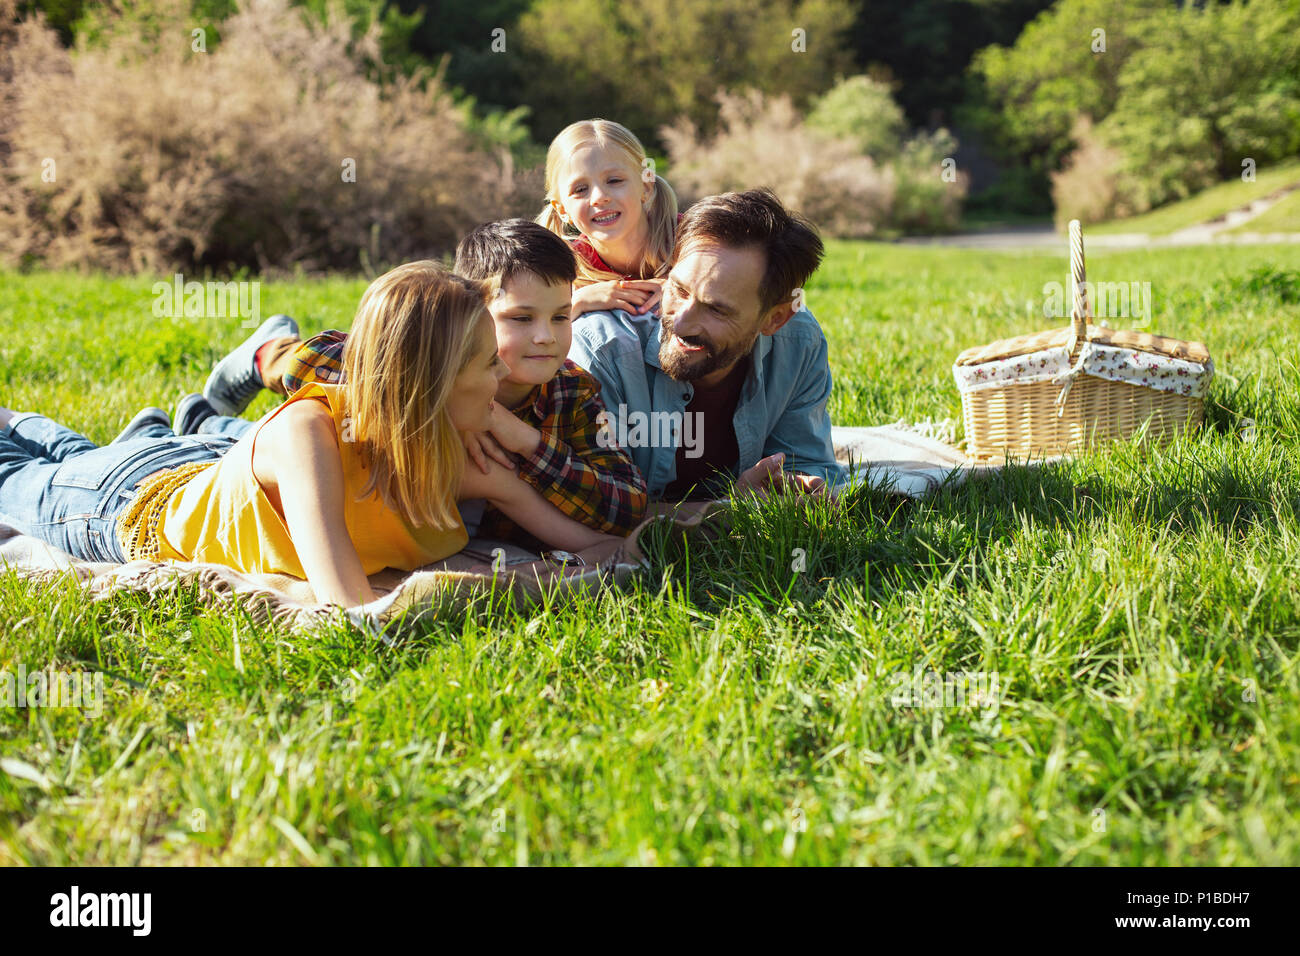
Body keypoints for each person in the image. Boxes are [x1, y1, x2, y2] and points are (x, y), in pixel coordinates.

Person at [0, 263, 618, 609]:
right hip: (126, 506)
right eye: (487, 362)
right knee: (12, 475)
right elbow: (348, 603)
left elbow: (603, 547)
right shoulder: (310, 433)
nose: (503, 375)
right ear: (433, 383)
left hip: (209, 462)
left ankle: (112, 431)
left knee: (75, 450)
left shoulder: (461, 455)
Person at [172, 220, 648, 545]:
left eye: (561, 316)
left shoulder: (573, 391)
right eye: (520, 318)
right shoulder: (426, 364)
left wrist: (523, 439)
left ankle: (201, 423)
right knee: (292, 401)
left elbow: (625, 505)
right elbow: (315, 364)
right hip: (307, 415)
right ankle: (263, 352)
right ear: (471, 308)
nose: (546, 337)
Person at [568, 188, 844, 501]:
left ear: (775, 319)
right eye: (679, 290)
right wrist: (726, 511)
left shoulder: (798, 344)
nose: (682, 323)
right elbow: (595, 510)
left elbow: (808, 463)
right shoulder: (602, 351)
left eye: (716, 309)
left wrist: (800, 491)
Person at [535, 119, 680, 320]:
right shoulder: (566, 274)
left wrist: (682, 288)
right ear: (561, 209)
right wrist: (578, 302)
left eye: (614, 181)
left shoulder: (694, 239)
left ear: (646, 186)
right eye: (580, 190)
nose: (599, 197)